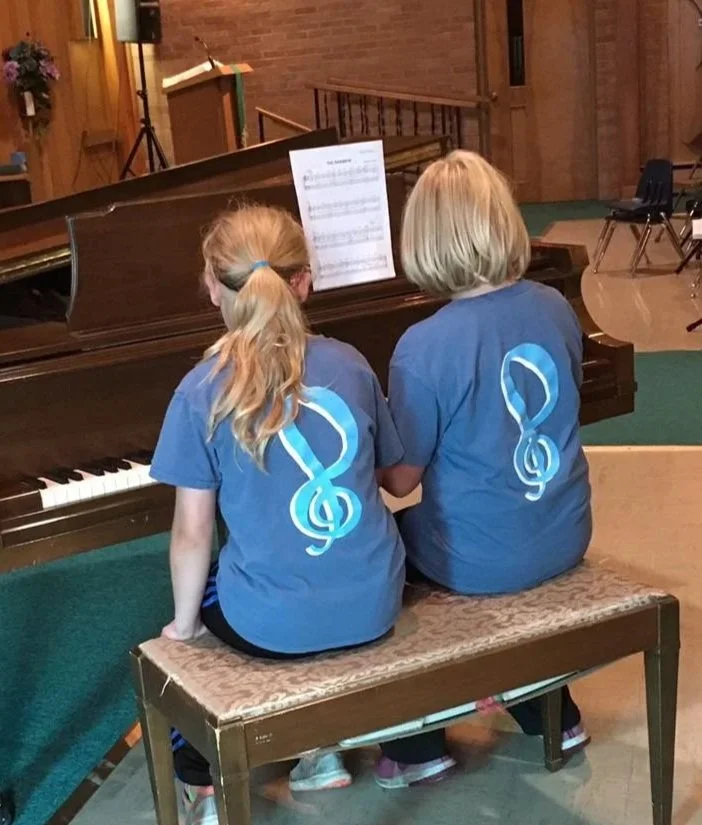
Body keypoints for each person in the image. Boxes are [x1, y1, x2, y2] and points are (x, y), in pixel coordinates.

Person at [149, 204, 450, 825]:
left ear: (213, 287)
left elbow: (192, 532)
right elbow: (391, 486)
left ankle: (202, 787)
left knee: (197, 608)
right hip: (376, 608)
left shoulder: (202, 388)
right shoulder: (350, 363)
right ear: (305, 282)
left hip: (271, 631)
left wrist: (183, 630)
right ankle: (323, 752)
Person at [381, 150, 592, 762]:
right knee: (492, 519)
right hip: (566, 529)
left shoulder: (423, 346)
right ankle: (553, 709)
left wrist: (362, 441)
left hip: (479, 560)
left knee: (381, 549)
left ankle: (417, 742)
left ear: (426, 240)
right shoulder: (554, 307)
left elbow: (400, 482)